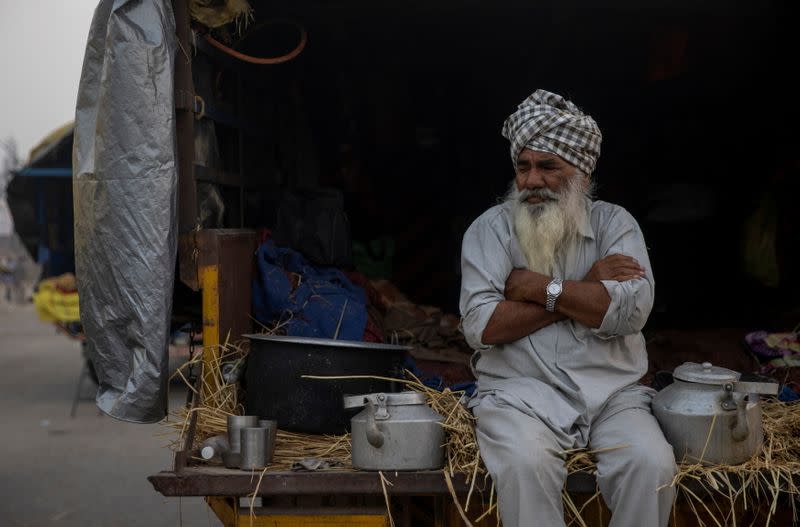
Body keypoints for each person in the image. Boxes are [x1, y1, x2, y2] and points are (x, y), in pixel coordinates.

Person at [459, 89, 677, 527]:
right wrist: (582, 291)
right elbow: (482, 326)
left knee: (652, 466)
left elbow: (630, 312)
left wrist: (534, 288)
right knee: (524, 464)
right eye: (523, 167)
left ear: (579, 171)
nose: (532, 181)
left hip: (613, 397)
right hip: (518, 394)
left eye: (548, 167)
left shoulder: (616, 224)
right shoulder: (489, 230)